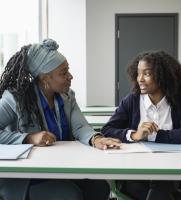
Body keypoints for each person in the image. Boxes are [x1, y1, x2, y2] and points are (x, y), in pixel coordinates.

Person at [0, 39, 121, 200]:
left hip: (63, 168)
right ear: (45, 79)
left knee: (99, 188)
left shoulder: (67, 96)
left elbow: (80, 127)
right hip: (29, 178)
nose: (70, 76)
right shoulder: (15, 99)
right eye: (63, 73)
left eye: (68, 70)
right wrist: (28, 138)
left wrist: (95, 138)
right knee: (69, 195)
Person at [101, 50, 181, 200]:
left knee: (162, 182)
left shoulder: (180, 102)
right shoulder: (131, 101)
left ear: (163, 77)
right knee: (161, 191)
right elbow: (107, 130)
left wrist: (154, 136)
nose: (140, 79)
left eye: (146, 74)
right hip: (135, 172)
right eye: (138, 73)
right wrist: (135, 135)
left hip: (170, 171)